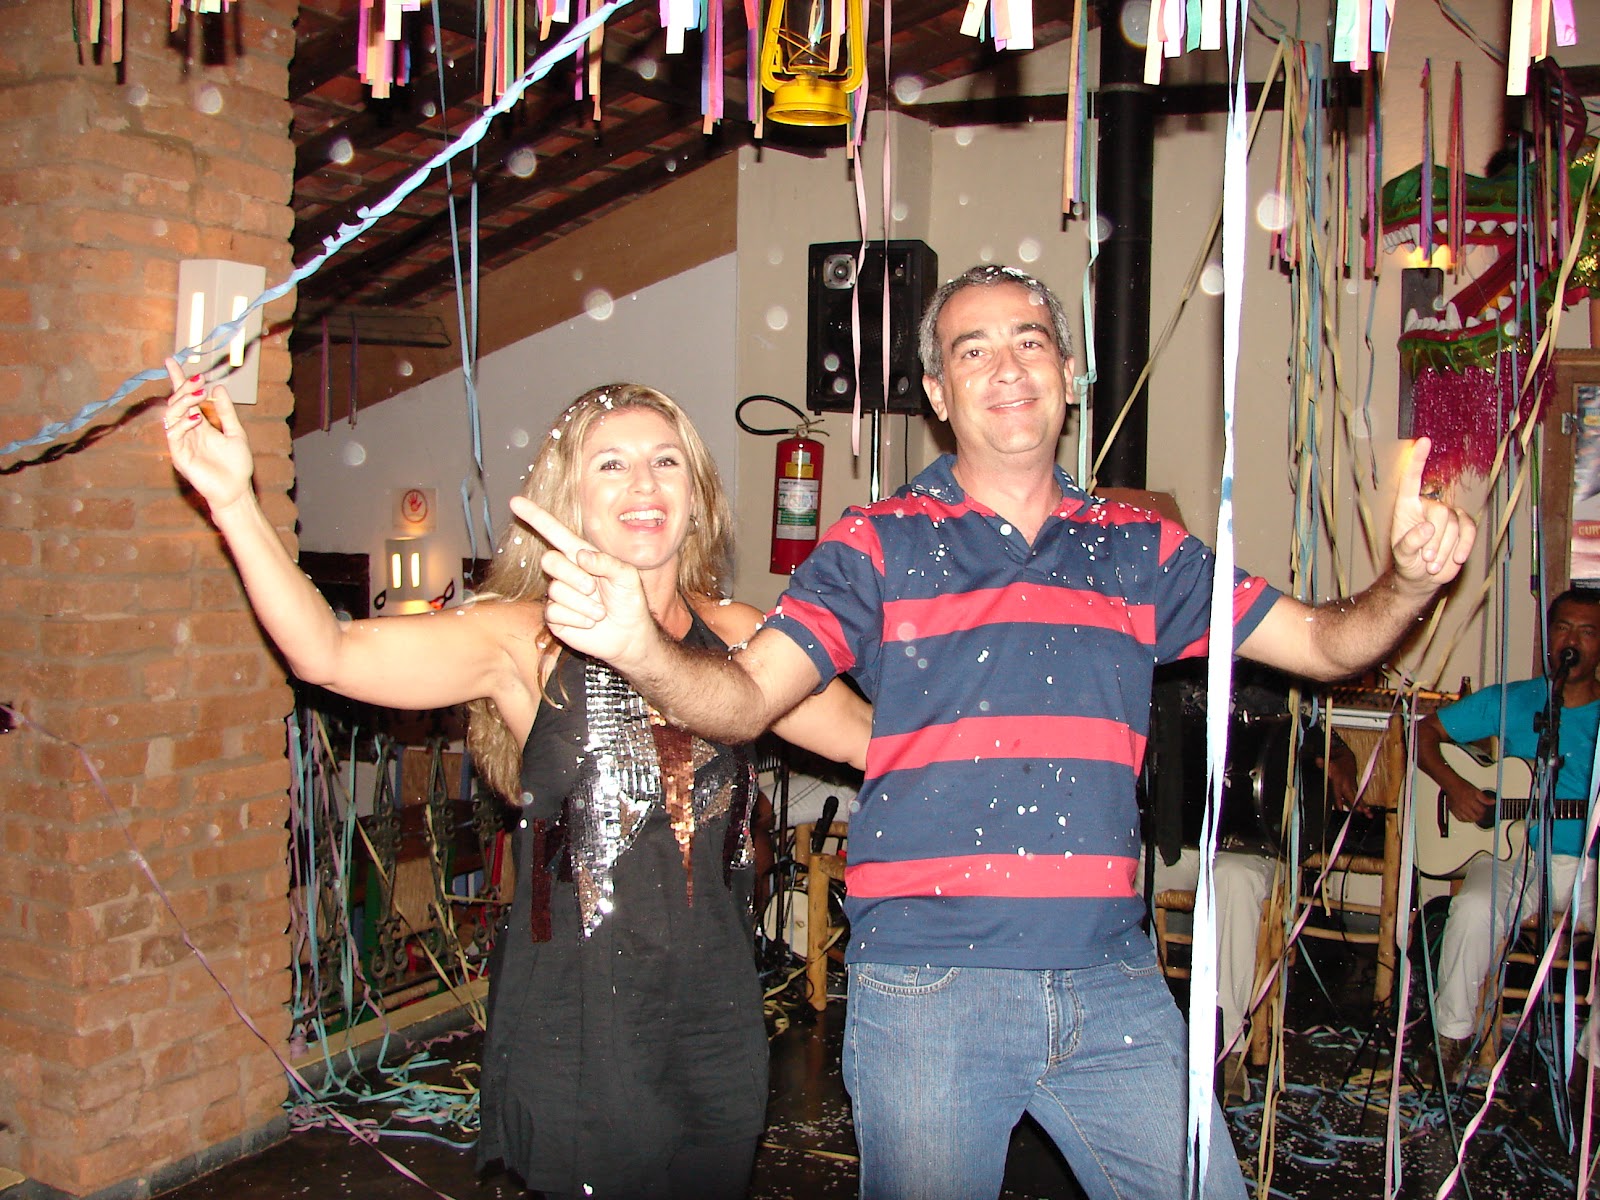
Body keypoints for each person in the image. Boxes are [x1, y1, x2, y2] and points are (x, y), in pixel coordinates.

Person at [518, 264, 1475, 1199]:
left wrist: (1407, 584)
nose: (1008, 367)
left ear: (1069, 373)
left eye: (1030, 341)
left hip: (1113, 979)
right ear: (938, 392)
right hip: (931, 988)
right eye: (972, 351)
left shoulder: (1140, 549)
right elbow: (740, 701)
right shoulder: (877, 542)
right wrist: (641, 646)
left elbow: (1325, 642)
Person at [161, 366, 871, 1200]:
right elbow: (327, 652)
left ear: (697, 495)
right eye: (612, 464)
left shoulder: (743, 638)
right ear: (571, 499)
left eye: (666, 461)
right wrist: (234, 503)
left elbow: (872, 739)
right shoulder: (524, 641)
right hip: (582, 1031)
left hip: (715, 1024)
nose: (644, 484)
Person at [1415, 586, 1600, 1087]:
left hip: (1591, 866)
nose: (1572, 640)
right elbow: (1423, 733)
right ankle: (1452, 1037)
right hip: (1514, 855)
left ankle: (1593, 1065)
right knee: (1474, 907)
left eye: (1587, 632)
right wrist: (1456, 786)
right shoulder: (1514, 699)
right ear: (1548, 636)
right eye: (1564, 628)